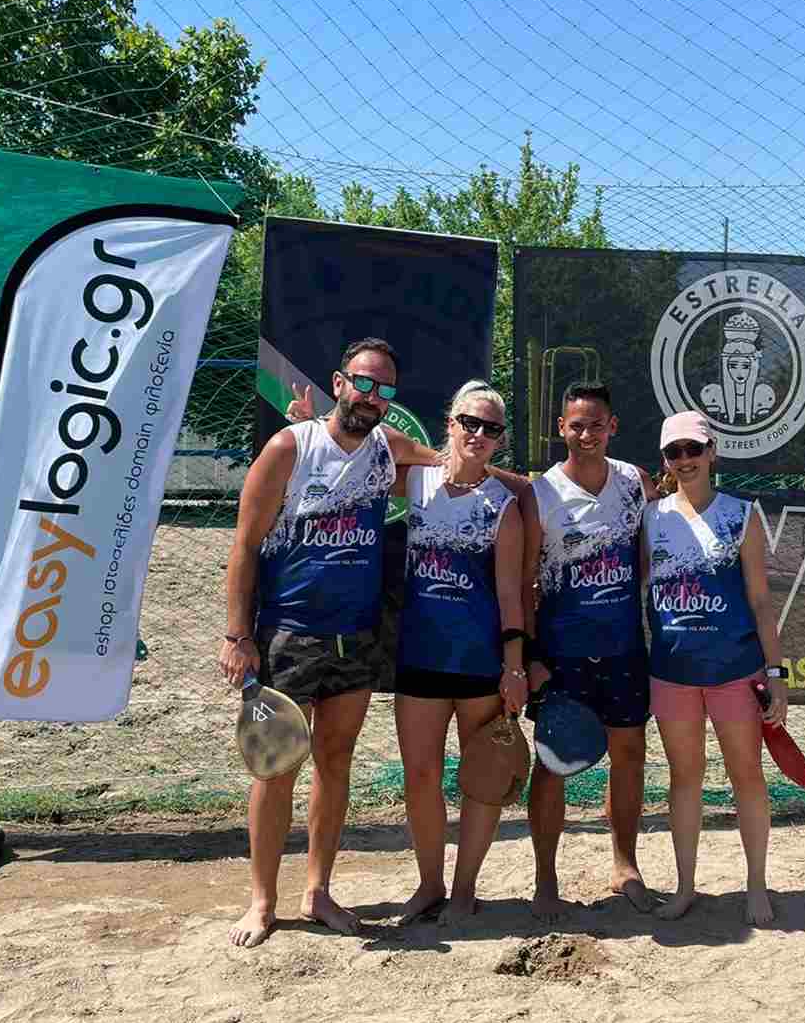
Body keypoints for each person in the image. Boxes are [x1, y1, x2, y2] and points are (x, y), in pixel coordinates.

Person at [219, 336, 445, 948]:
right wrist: (238, 635)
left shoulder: (387, 448)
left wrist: (531, 485)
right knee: (274, 767)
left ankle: (317, 891)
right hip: (287, 633)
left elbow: (452, 467)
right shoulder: (289, 447)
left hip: (356, 636)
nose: (372, 395)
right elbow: (244, 546)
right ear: (339, 383)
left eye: (384, 388)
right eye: (362, 382)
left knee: (335, 761)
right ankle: (262, 900)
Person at [642, 410, 789, 926]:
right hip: (673, 672)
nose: (685, 460)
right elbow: (639, 591)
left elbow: (761, 601)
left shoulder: (741, 514)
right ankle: (685, 888)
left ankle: (756, 884)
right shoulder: (651, 517)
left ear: (712, 453)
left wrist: (776, 675)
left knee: (746, 775)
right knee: (685, 779)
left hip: (735, 671)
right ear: (665, 460)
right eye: (674, 452)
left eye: (693, 449)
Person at [393, 379, 531, 927]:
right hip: (419, 656)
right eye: (468, 422)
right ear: (449, 423)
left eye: (490, 428)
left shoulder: (504, 506)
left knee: (482, 777)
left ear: (500, 439)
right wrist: (304, 424)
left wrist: (514, 668)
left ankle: (464, 889)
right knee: (420, 775)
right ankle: (429, 884)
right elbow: (361, 455)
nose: (478, 434)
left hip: (478, 663)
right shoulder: (415, 481)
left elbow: (510, 594)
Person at [522, 382, 659, 919]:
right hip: (563, 654)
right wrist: (531, 656)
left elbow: (646, 562)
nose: (586, 435)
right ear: (561, 428)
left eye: (596, 425)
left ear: (612, 427)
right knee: (552, 764)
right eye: (576, 425)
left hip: (623, 648)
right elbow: (525, 581)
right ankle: (545, 878)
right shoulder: (542, 493)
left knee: (630, 755)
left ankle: (625, 866)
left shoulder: (634, 483)